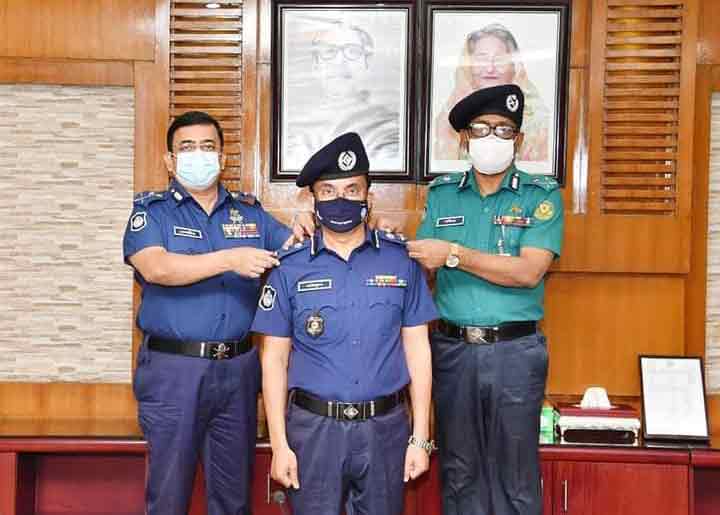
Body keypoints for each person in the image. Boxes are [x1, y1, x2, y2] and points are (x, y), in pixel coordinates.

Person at [124, 111, 303, 515]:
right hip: (174, 371)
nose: (198, 155)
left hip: (238, 371)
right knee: (169, 497)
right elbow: (156, 267)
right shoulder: (152, 213)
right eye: (187, 147)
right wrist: (229, 259)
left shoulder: (250, 214)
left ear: (222, 158)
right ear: (170, 160)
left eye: (208, 147)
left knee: (233, 498)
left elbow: (295, 249)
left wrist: (310, 223)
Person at [253, 132, 437, 515]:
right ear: (313, 200)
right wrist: (279, 444)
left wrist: (420, 437)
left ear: (369, 197)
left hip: (384, 430)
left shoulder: (401, 261)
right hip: (313, 432)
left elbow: (418, 352)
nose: (341, 199)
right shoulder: (289, 267)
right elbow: (273, 360)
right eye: (329, 191)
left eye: (352, 190)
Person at [407, 84, 564, 515]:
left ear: (519, 139)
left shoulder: (539, 195)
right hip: (453, 351)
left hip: (515, 352)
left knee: (515, 476)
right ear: (465, 138)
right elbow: (423, 265)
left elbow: (529, 270)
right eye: (481, 128)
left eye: (503, 129)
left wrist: (455, 254)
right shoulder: (443, 193)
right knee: (459, 474)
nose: (492, 137)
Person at [283, 19, 402, 171]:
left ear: (367, 63)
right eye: (329, 52)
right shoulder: (296, 128)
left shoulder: (389, 125)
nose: (340, 61)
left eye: (352, 51)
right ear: (316, 65)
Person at [433, 23, 550, 163]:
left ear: (513, 66)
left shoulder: (539, 122)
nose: (490, 69)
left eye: (499, 60)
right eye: (482, 59)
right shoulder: (445, 122)